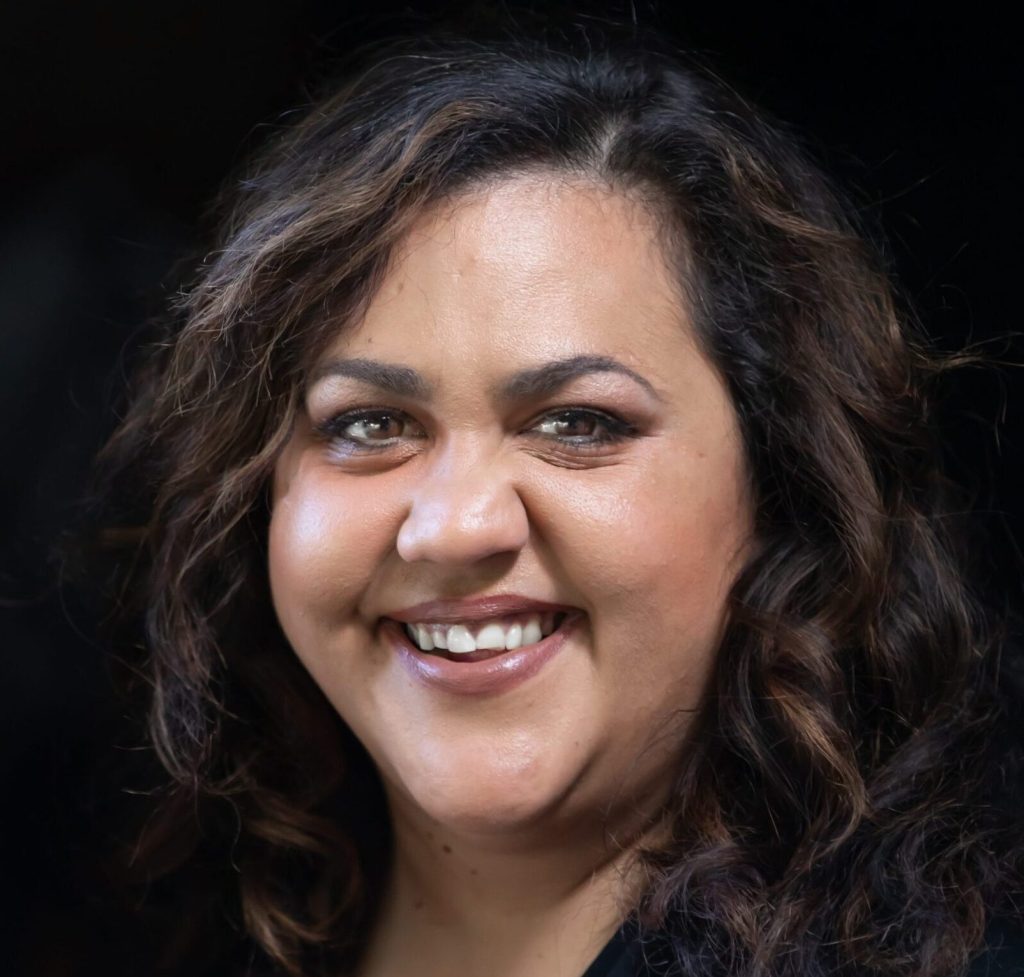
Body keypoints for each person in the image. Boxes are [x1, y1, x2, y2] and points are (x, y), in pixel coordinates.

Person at [85, 26, 1023, 977]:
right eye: (370, 424)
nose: (455, 527)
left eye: (577, 422)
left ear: (782, 486)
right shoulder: (179, 937)